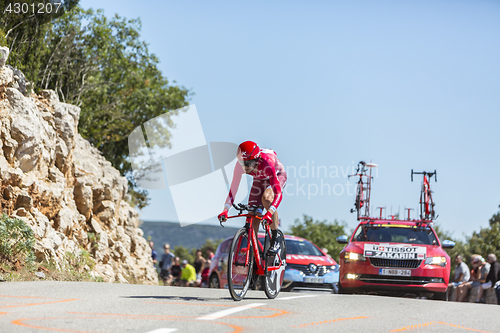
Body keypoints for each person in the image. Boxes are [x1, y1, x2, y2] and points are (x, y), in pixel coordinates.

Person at [218, 141, 287, 254]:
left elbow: (278, 194)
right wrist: (225, 210)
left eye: (248, 163)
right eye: (242, 162)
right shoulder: (240, 166)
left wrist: (269, 212)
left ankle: (275, 239)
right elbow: (233, 191)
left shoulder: (267, 162)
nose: (244, 167)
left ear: (257, 160)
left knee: (266, 199)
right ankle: (254, 255)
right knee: (252, 214)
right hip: (260, 179)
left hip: (276, 175)